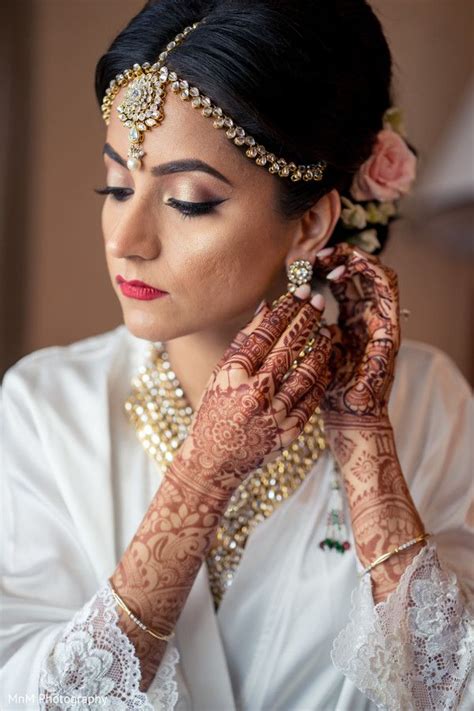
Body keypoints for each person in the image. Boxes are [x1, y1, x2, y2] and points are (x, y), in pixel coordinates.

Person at [1, 1, 473, 709]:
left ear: (310, 221)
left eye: (188, 201)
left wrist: (366, 447)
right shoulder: (44, 407)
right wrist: (201, 475)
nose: (126, 237)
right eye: (116, 187)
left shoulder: (427, 401)